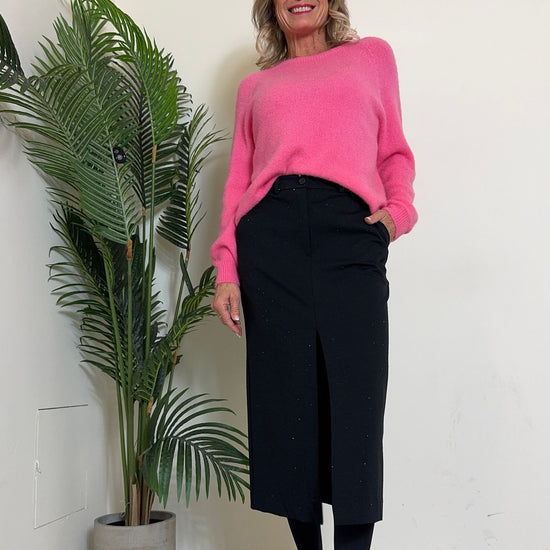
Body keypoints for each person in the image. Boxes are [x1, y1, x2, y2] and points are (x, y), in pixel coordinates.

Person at [211, 1, 417, 548]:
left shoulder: (371, 58)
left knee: (357, 404)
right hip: (270, 242)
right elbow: (238, 180)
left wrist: (396, 215)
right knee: (286, 407)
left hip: (348, 235)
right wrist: (226, 266)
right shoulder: (255, 87)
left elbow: (394, 152)